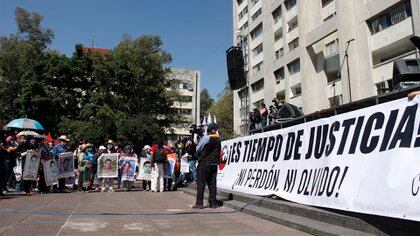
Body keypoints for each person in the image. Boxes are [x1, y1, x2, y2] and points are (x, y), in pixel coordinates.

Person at [193, 123, 222, 209]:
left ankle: (199, 203)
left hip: (204, 163)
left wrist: (198, 155)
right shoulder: (219, 139)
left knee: (201, 183)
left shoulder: (206, 137)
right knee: (212, 184)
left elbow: (198, 148)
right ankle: (213, 203)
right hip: (214, 164)